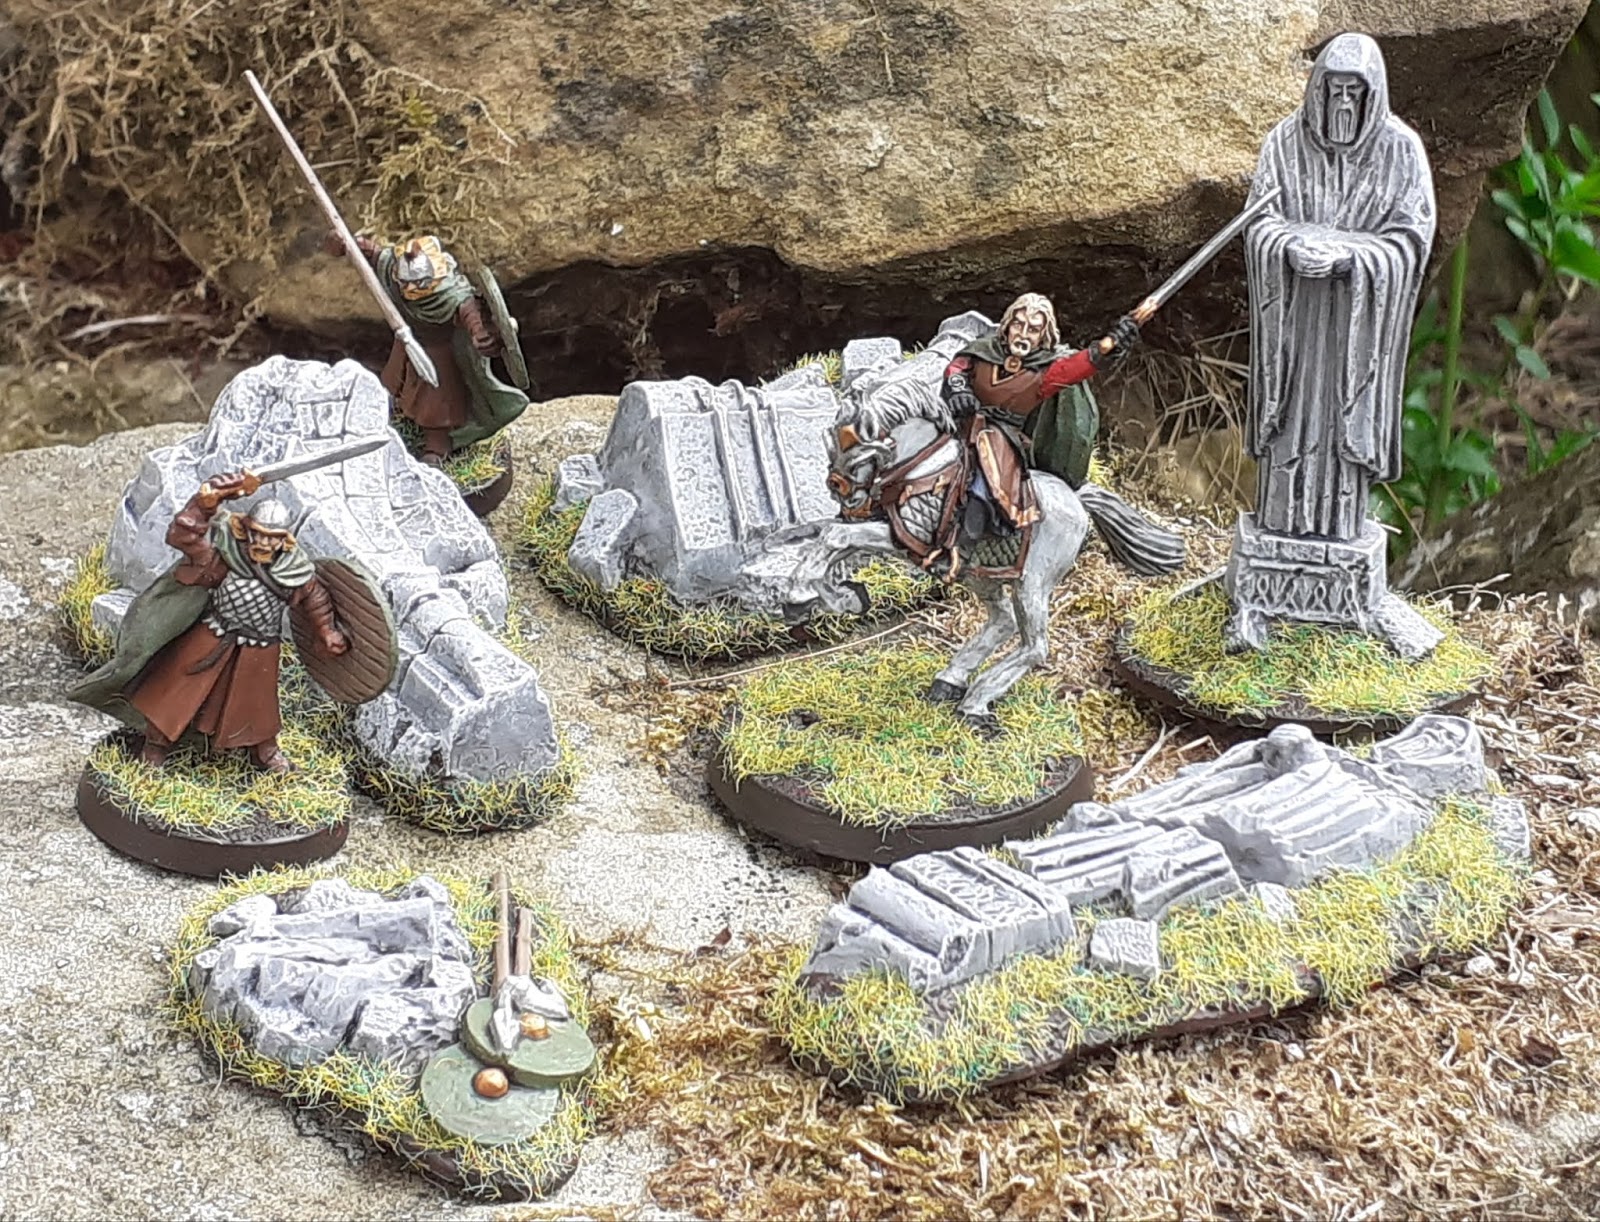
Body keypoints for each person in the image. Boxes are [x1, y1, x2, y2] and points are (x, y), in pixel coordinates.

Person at [1243, 32, 1436, 540]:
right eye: (1335, 91)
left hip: (1355, 325)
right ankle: (1280, 523)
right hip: (1298, 321)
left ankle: (1339, 527)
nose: (1344, 102)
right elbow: (1259, 221)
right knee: (1291, 419)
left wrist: (1351, 258)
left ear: (1373, 94)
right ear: (1319, 90)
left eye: (1355, 92)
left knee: (1339, 429)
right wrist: (1287, 248)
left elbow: (1411, 238)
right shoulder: (1284, 143)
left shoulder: (1402, 151)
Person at [69, 476, 347, 773]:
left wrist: (326, 630)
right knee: (175, 691)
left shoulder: (294, 571)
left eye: (272, 537)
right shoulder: (226, 555)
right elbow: (183, 536)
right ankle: (155, 746)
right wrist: (203, 506)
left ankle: (266, 753)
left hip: (260, 646)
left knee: (257, 705)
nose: (264, 543)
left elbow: (315, 598)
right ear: (246, 530)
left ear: (284, 540)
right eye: (258, 534)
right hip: (213, 633)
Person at [939, 292, 1137, 538]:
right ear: (1008, 325)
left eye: (1033, 329)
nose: (1023, 334)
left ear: (1043, 335)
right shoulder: (984, 349)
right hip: (960, 420)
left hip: (1002, 438)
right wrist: (959, 389)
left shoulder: (1046, 372)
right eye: (1018, 324)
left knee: (985, 487)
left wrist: (1114, 343)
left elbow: (1081, 364)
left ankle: (969, 541)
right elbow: (958, 367)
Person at [324, 232, 530, 465]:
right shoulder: (396, 267)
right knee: (396, 383)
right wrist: (349, 245)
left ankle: (438, 447)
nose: (410, 289)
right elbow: (374, 254)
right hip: (407, 342)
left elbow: (471, 316)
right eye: (405, 283)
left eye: (417, 283)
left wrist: (482, 335)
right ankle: (399, 416)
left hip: (437, 354)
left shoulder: (452, 293)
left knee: (436, 402)